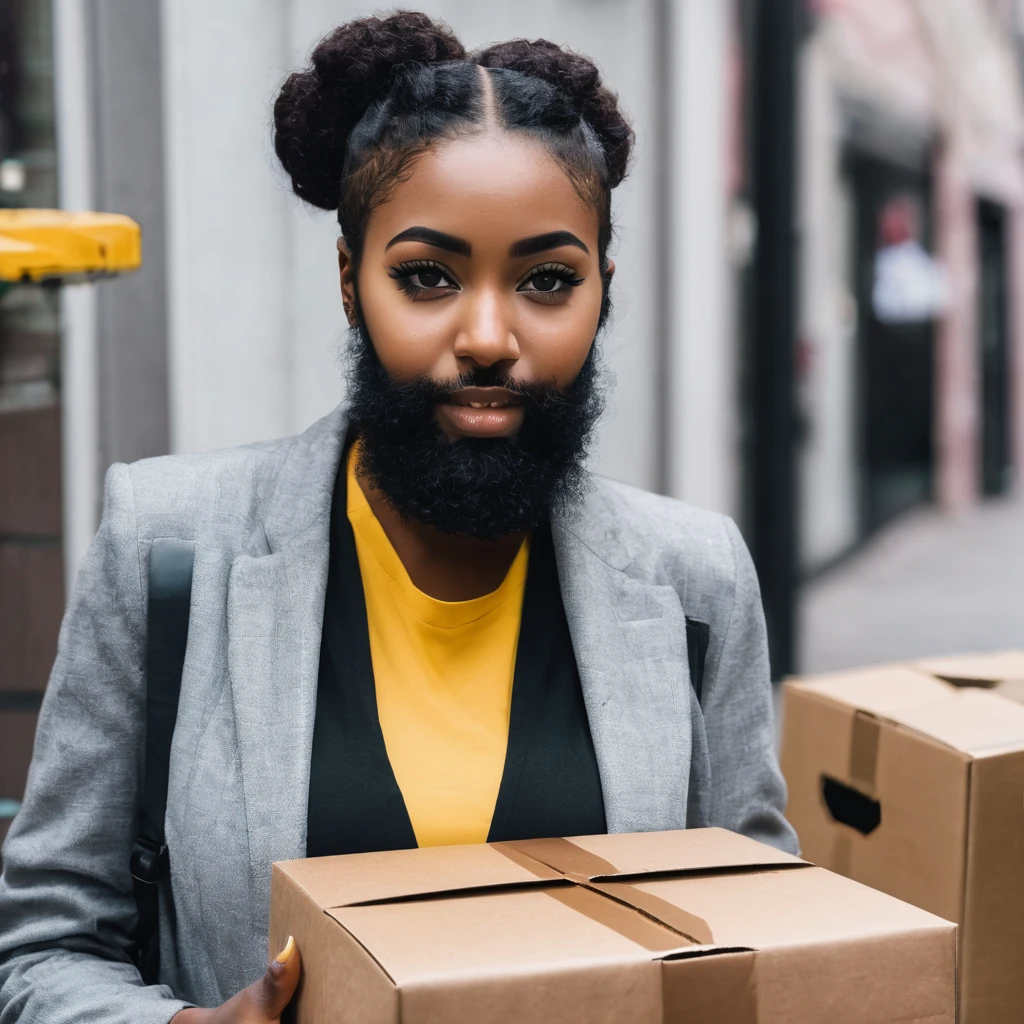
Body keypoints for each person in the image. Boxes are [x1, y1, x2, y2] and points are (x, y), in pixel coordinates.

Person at [0, 12, 796, 1023]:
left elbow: (764, 940)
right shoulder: (165, 543)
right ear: (349, 282)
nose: (487, 336)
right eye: (427, 276)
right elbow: (42, 948)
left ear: (603, 291)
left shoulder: (694, 578)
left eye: (548, 280)